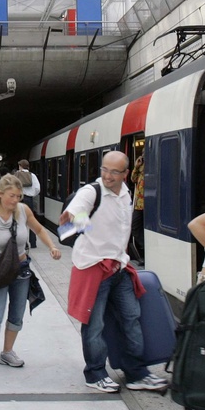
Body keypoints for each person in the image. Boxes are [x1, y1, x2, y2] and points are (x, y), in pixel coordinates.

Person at [59, 151, 167, 393]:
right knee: (94, 324)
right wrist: (90, 239)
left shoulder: (126, 193)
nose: (107, 176)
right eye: (104, 170)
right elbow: (69, 219)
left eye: (114, 172)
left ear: (125, 173)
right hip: (94, 268)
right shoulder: (91, 192)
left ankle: (136, 373)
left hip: (119, 268)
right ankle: (95, 373)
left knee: (132, 319)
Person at [0, 174, 62, 376]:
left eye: (18, 196)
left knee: (17, 315)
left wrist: (52, 247)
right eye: (12, 196)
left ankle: (7, 352)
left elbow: (39, 229)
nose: (16, 200)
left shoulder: (23, 211)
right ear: (0, 195)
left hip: (21, 268)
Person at [15, 160, 40, 248]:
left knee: (20, 221)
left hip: (19, 199)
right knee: (31, 220)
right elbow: (37, 188)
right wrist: (32, 194)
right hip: (29, 199)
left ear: (21, 166)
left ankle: (23, 243)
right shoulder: (32, 175)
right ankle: (33, 243)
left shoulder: (17, 175)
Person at [129, 153, 145, 265]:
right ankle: (144, 249)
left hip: (148, 203)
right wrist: (136, 166)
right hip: (139, 204)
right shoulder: (140, 167)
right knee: (135, 227)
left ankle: (145, 255)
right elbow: (133, 179)